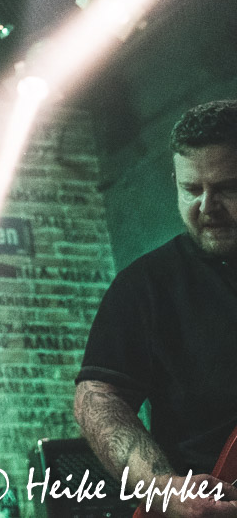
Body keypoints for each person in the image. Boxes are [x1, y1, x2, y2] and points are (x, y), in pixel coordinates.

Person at [74, 99, 237, 517]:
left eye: (227, 188)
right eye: (192, 189)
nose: (207, 206)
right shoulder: (146, 284)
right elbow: (99, 397)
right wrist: (161, 486)